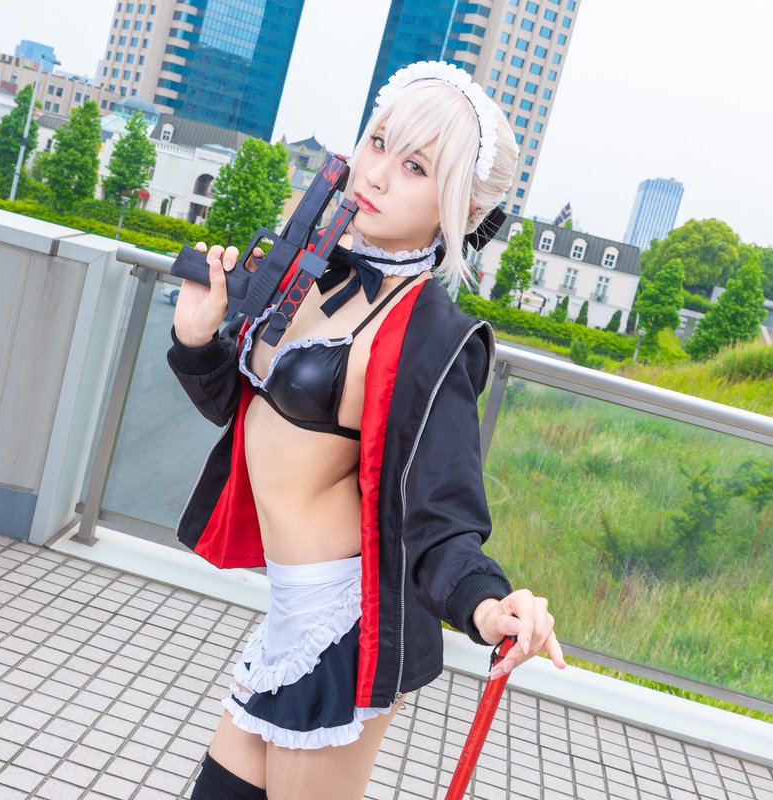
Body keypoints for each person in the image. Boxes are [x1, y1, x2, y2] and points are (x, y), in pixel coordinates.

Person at [166, 61, 566, 800]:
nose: (376, 174)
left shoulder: (430, 336)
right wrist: (198, 340)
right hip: (291, 611)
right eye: (378, 142)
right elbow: (245, 409)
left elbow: (439, 512)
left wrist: (487, 603)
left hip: (341, 628)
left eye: (415, 166)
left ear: (463, 206)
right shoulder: (315, 269)